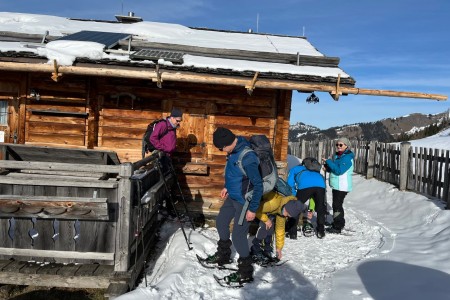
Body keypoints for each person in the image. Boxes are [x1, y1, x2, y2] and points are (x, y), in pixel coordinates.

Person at [204, 127, 263, 284]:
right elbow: (233, 173)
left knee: (238, 235)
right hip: (233, 197)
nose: (221, 150)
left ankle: (245, 271)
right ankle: (223, 255)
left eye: (221, 147)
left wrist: (253, 208)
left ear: (228, 143)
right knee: (221, 222)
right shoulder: (232, 152)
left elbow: (258, 185)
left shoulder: (247, 157)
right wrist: (226, 187)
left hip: (245, 203)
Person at [250, 191, 302, 264]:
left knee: (271, 225)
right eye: (287, 214)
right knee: (265, 226)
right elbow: (256, 209)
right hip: (253, 207)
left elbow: (280, 230)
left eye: (288, 216)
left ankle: (267, 250)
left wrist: (279, 248)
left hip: (267, 211)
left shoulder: (283, 210)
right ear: (286, 208)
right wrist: (266, 220)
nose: (286, 216)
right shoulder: (273, 203)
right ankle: (255, 251)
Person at [285, 161, 327, 239]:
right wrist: (311, 208)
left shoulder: (294, 169)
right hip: (321, 184)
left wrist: (293, 196)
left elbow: (290, 183)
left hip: (305, 184)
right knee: (320, 207)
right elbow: (312, 196)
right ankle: (321, 231)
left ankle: (292, 232)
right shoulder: (312, 169)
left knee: (296, 207)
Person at [322, 137, 354, 234]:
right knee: (337, 205)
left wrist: (329, 161)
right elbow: (335, 168)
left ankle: (337, 226)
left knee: (337, 205)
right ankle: (338, 222)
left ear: (346, 146)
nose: (338, 146)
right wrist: (327, 168)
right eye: (337, 144)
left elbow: (339, 171)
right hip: (337, 185)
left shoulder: (347, 158)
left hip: (342, 186)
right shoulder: (338, 156)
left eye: (341, 145)